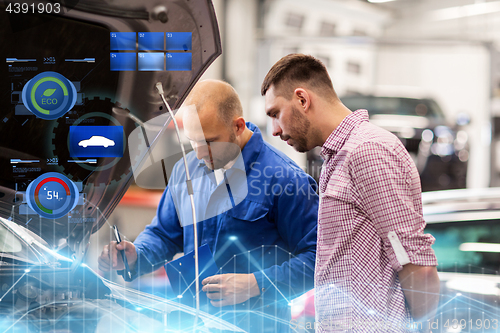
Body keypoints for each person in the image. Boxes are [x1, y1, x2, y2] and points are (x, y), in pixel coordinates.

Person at [98, 79, 319, 332]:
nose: (200, 153)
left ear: (237, 126)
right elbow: (165, 234)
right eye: (194, 141)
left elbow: (316, 261)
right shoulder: (186, 169)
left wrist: (256, 283)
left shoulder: (286, 179)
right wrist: (138, 254)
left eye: (210, 142)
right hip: (196, 323)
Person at [261, 54, 440, 333]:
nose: (274, 130)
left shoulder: (367, 151)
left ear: (302, 99)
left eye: (275, 114)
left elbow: (417, 265)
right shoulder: (339, 156)